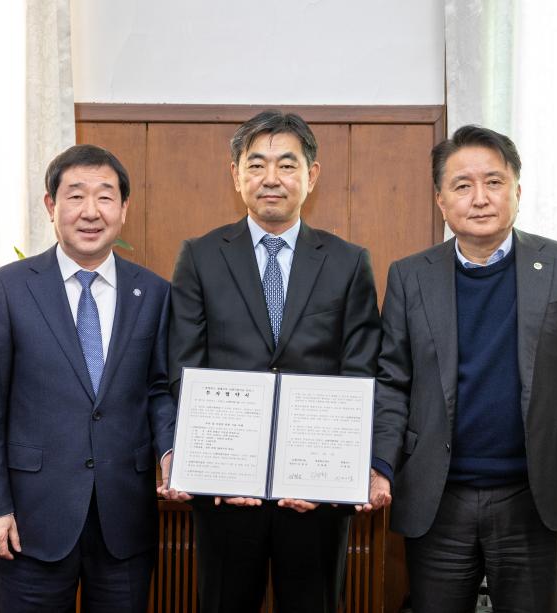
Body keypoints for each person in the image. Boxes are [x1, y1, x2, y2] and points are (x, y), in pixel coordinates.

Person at [367, 125, 557, 612]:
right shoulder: (409, 275)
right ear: (441, 200)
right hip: (438, 498)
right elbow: (392, 383)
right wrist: (380, 465)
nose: (480, 198)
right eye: (462, 185)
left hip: (533, 494)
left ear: (518, 192)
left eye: (495, 182)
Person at [164, 110, 382, 613]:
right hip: (224, 490)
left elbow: (360, 369)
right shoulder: (199, 256)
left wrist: (331, 473)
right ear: (235, 174)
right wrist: (212, 467)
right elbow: (184, 366)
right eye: (256, 164)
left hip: (316, 491)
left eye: (287, 164)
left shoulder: (349, 261)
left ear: (312, 175)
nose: (271, 178)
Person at [0, 144, 175, 612]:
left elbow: (159, 388)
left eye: (105, 197)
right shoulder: (8, 288)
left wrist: (171, 450)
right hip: (30, 521)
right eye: (75, 195)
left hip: (124, 519)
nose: (90, 211)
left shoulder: (154, 292)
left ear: (124, 208)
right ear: (50, 205)